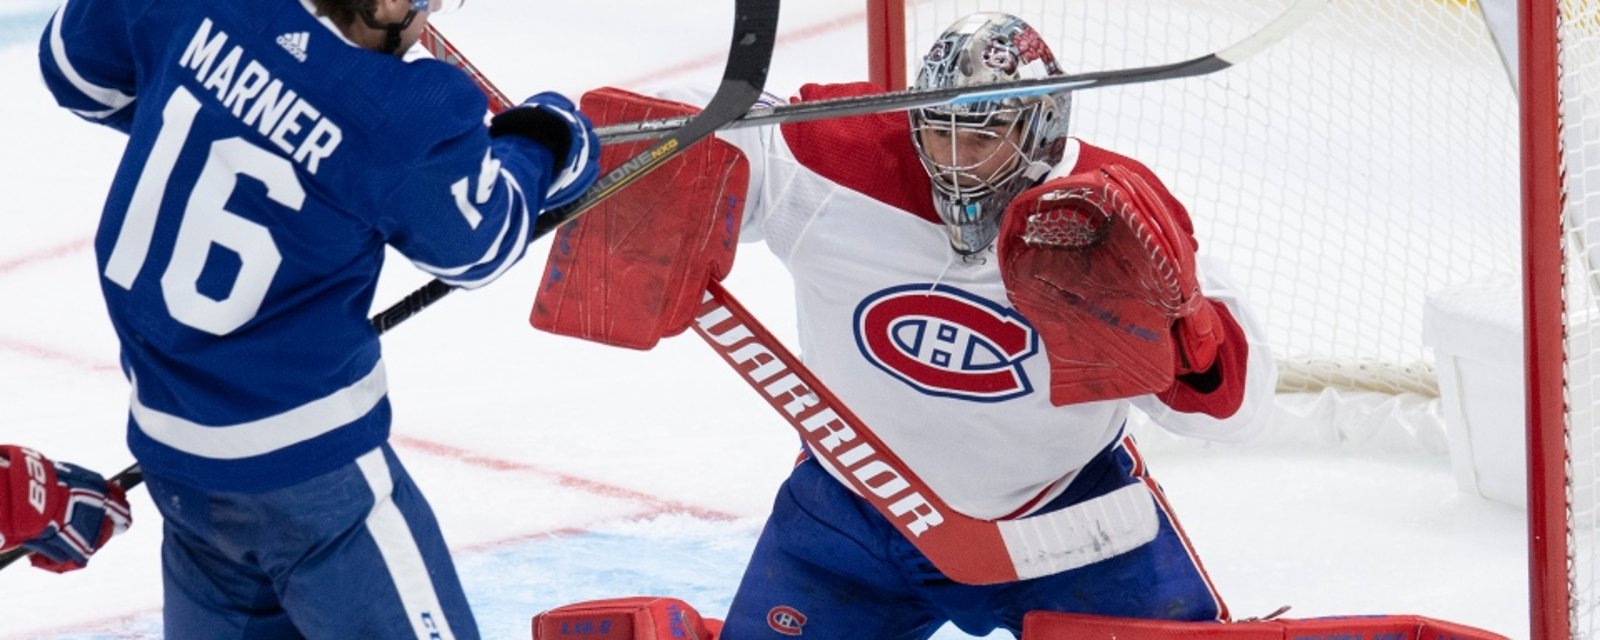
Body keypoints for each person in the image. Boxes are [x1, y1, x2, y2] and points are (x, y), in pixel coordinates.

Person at [534, 12, 1277, 640]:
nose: (954, 163)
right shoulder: (843, 159)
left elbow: (1236, 413)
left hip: (1065, 527)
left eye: (982, 138)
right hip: (848, 520)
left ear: (1042, 127)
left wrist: (1190, 330)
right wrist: (659, 157)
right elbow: (727, 121)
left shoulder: (1110, 211)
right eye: (939, 131)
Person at [23, 0, 601, 636]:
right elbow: (480, 247)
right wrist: (548, 141)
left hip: (174, 457)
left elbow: (73, 69)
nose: (432, 14)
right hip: (316, 483)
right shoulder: (404, 112)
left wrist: (218, 112)